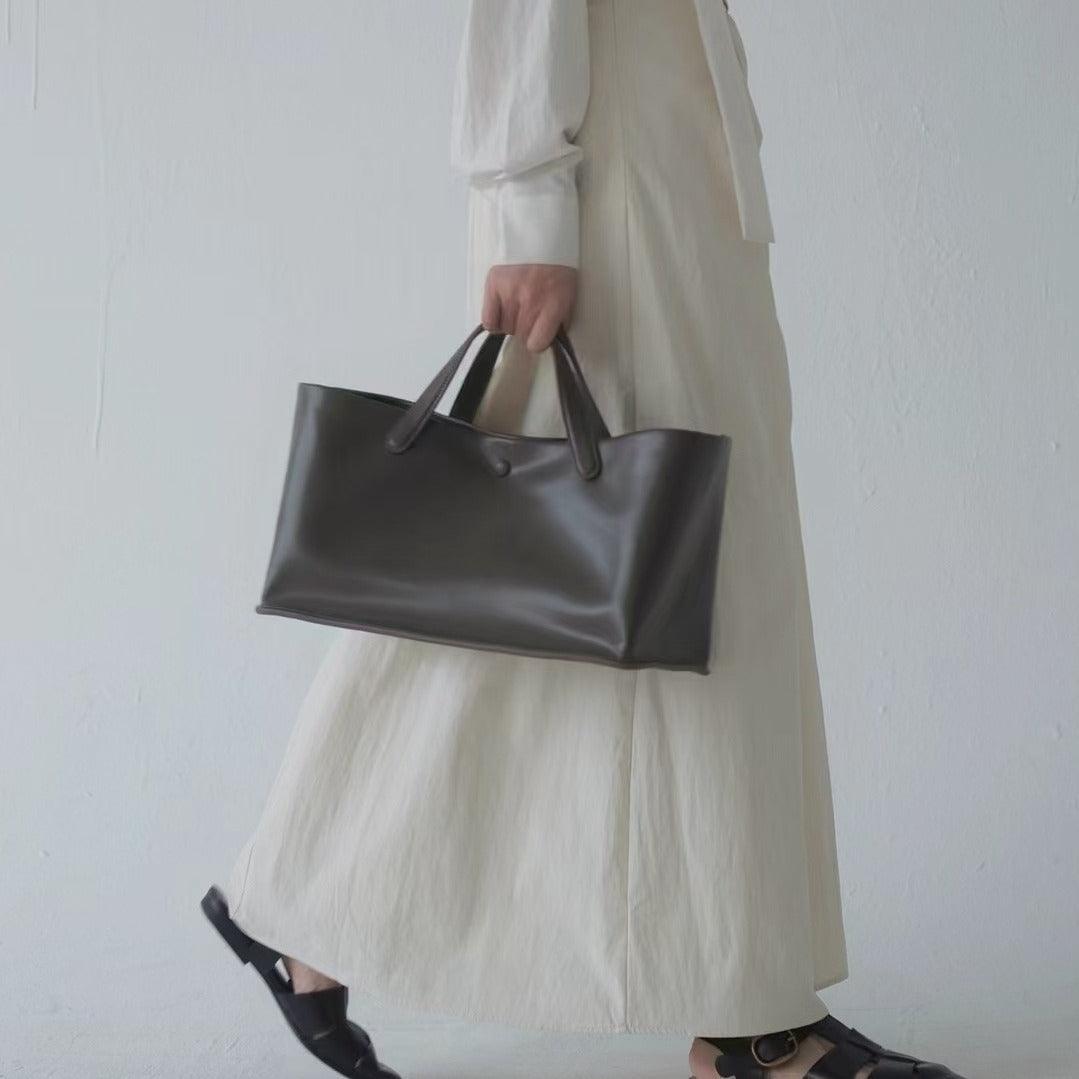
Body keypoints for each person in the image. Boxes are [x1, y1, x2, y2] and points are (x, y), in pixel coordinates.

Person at [202, 3, 968, 1078]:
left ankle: (309, 910)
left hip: (678, 173)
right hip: (618, 193)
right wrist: (527, 210)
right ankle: (749, 1023)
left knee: (625, 577)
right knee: (597, 572)